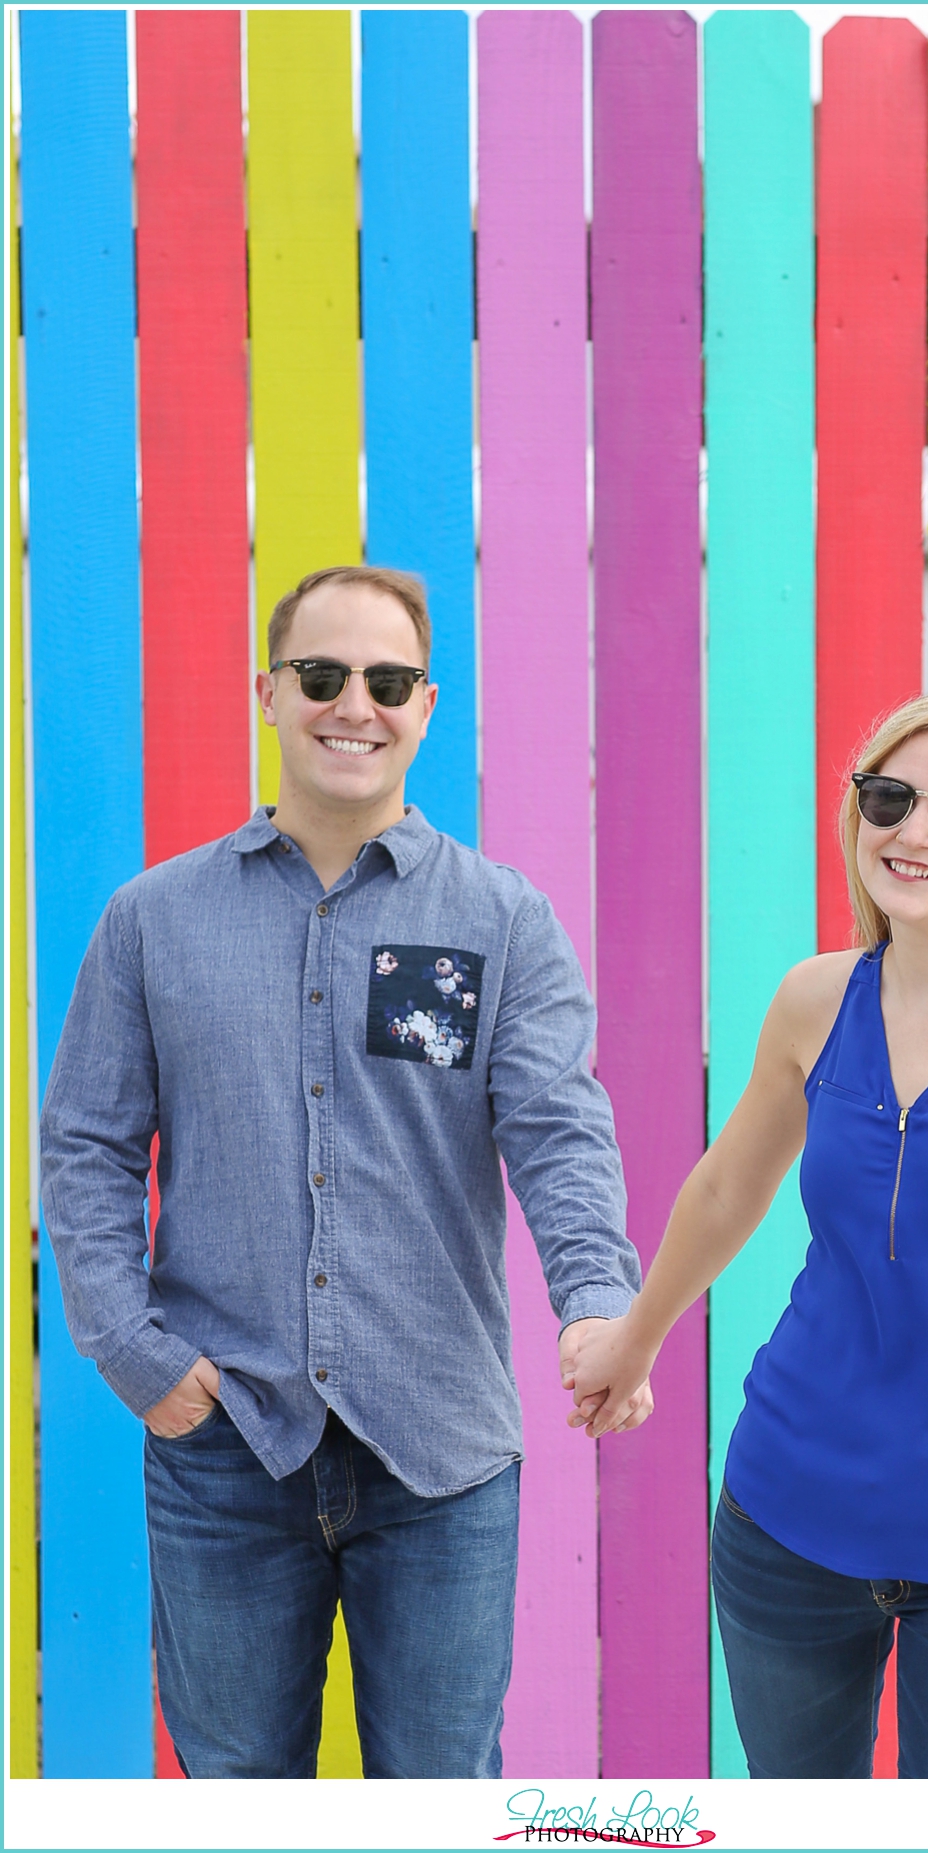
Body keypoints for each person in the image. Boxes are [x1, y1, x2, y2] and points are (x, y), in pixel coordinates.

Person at [39, 564, 648, 1780]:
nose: (351, 705)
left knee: (438, 1801)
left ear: (427, 706)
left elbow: (559, 1130)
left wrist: (597, 1299)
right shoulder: (152, 918)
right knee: (238, 1798)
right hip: (226, 1447)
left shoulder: (502, 921)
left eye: (385, 680)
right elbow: (87, 1145)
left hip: (442, 1457)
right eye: (321, 676)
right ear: (268, 692)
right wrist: (134, 1351)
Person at [566, 690, 928, 1779]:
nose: (914, 831)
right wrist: (635, 1338)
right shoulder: (815, 998)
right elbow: (727, 1186)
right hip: (790, 1513)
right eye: (888, 797)